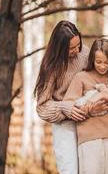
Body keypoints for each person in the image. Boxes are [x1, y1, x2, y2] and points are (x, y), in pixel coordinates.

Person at [63, 38, 108, 174]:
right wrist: (90, 109)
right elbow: (69, 107)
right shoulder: (81, 77)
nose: (102, 66)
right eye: (98, 62)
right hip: (89, 139)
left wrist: (103, 94)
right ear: (92, 60)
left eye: (107, 62)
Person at [34, 20, 90, 174]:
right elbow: (42, 106)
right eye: (71, 48)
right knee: (69, 170)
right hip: (65, 127)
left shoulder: (85, 53)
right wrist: (65, 107)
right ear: (60, 48)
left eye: (78, 44)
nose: (77, 50)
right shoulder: (51, 67)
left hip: (89, 122)